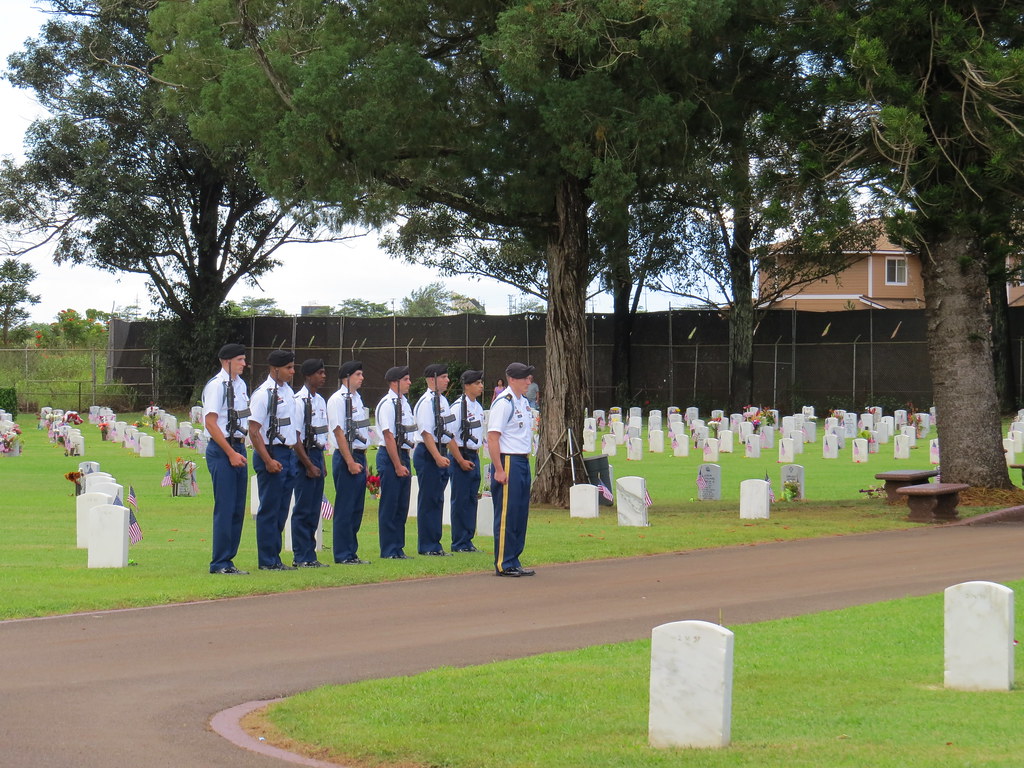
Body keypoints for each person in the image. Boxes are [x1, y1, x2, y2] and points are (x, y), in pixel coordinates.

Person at [249, 349, 299, 571]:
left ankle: (275, 557)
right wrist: (268, 460)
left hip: (287, 453)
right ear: (275, 369)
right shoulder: (263, 394)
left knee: (281, 509)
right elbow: (254, 430)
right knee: (270, 509)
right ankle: (267, 560)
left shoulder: (288, 392)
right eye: (288, 368)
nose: (292, 371)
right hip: (271, 452)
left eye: (292, 367)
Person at [203, 343, 250, 575]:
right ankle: (219, 562)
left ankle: (229, 559)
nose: (244, 364)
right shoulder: (217, 386)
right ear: (226, 361)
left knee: (237, 508)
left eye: (244, 359)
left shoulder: (240, 385)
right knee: (226, 506)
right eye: (240, 359)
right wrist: (230, 453)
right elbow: (211, 423)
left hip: (238, 447)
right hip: (223, 450)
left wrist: (239, 451)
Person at [487, 362, 536, 577]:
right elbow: (492, 437)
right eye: (524, 378)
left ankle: (514, 559)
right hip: (508, 461)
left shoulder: (522, 402)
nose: (529, 381)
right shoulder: (504, 403)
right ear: (513, 380)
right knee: (507, 513)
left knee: (519, 512)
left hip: (522, 460)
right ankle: (503, 562)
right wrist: (498, 469)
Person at [327, 359, 371, 564]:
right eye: (358, 375)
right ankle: (343, 553)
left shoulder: (357, 399)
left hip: (359, 454)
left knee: (356, 508)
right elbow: (338, 432)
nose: (361, 378)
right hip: (347, 456)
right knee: (345, 507)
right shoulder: (338, 400)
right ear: (346, 377)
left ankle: (351, 551)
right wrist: (350, 461)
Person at [291, 358, 330, 568]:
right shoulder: (299, 401)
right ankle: (301, 555)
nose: (323, 376)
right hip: (303, 456)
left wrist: (321, 462)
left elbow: (320, 434)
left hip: (316, 454)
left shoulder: (320, 401)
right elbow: (296, 438)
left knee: (314, 508)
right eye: (320, 373)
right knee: (303, 508)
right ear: (308, 376)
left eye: (324, 373)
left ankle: (310, 554)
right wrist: (308, 465)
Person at [413, 363, 454, 556]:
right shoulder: (426, 402)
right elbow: (426, 432)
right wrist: (437, 456)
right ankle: (427, 545)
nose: (447, 380)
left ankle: (435, 543)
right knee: (429, 499)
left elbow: (447, 430)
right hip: (428, 452)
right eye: (443, 377)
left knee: (437, 499)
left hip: (440, 450)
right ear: (431, 380)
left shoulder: (443, 401)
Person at [374, 365, 415, 559]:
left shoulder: (404, 402)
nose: (409, 383)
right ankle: (389, 549)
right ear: (394, 382)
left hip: (403, 453)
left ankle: (398, 547)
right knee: (390, 504)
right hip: (391, 455)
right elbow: (388, 435)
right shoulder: (387, 403)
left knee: (401, 505)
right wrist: (398, 464)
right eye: (405, 379)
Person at [448, 369, 485, 553]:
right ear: (467, 385)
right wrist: (460, 460)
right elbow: (450, 437)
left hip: (474, 454)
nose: (481, 386)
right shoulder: (457, 407)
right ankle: (459, 541)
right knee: (460, 500)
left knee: (471, 499)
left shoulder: (477, 406)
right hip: (461, 455)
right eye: (477, 383)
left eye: (481, 383)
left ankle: (468, 540)